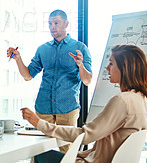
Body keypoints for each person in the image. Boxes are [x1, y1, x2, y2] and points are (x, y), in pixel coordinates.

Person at [21, 44, 147, 163]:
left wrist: (39, 123)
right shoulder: (144, 101)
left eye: (111, 63)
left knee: (40, 155)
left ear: (125, 67)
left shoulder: (122, 101)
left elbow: (85, 135)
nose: (107, 68)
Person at [7, 9, 92, 152]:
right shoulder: (43, 49)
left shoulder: (80, 48)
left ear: (66, 24)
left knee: (66, 152)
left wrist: (80, 65)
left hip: (68, 109)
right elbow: (28, 76)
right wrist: (18, 59)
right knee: (40, 151)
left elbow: (87, 80)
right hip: (43, 108)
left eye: (56, 23)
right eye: (50, 23)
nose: (52, 26)